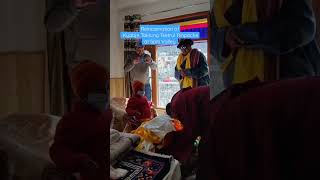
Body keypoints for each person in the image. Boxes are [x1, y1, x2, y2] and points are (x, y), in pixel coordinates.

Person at [164, 76, 320, 179]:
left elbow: (186, 135)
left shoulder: (220, 119)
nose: (179, 121)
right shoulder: (211, 103)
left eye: (177, 117)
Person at [211, 0, 320, 89]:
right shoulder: (220, 4)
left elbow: (304, 27)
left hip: (287, 82)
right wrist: (226, 37)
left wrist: (246, 34)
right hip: (238, 88)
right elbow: (213, 38)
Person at [50, 60, 112, 180]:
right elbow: (58, 150)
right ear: (85, 93)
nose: (106, 94)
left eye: (107, 88)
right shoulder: (72, 121)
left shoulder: (106, 113)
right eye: (99, 90)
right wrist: (81, 161)